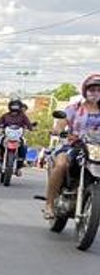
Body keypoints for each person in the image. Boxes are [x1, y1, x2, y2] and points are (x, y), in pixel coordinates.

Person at [43, 75, 100, 220]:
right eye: (92, 89)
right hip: (72, 145)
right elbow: (62, 122)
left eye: (99, 90)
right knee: (61, 164)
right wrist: (59, 129)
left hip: (96, 149)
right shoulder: (74, 108)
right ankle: (49, 204)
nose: (95, 92)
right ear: (85, 90)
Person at [0, 99, 34, 175]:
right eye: (13, 106)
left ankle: (20, 164)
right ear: (10, 107)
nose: (14, 109)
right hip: (5, 136)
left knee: (24, 147)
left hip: (18, 137)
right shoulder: (5, 115)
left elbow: (29, 124)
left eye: (16, 106)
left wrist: (31, 128)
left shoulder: (23, 116)